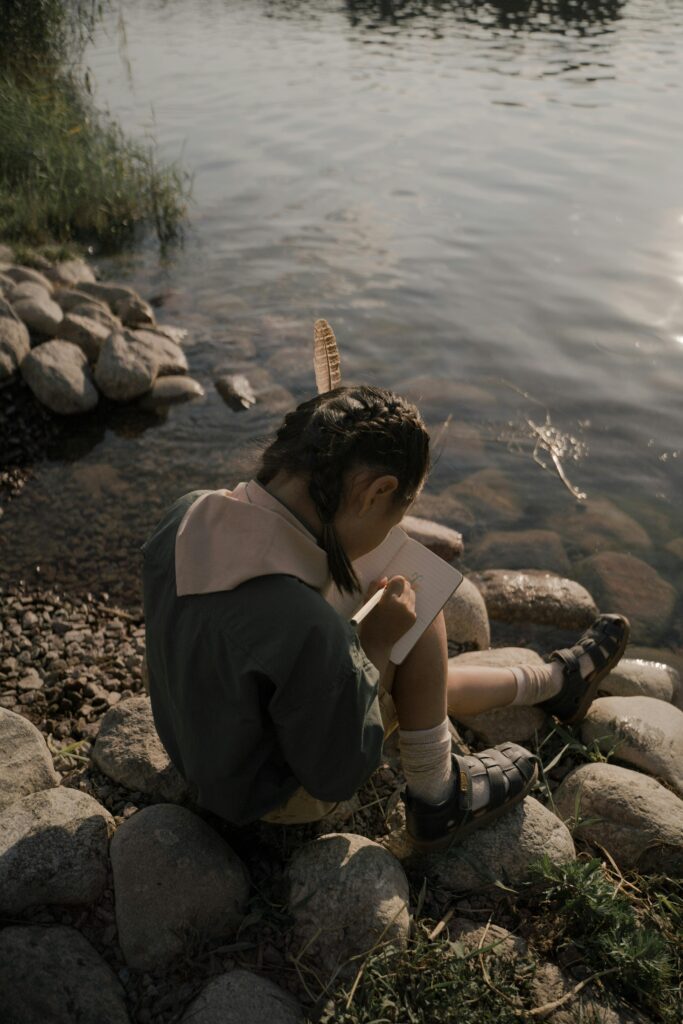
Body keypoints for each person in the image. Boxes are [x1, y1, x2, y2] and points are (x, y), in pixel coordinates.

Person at [142, 384, 629, 849]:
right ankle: (439, 796)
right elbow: (337, 774)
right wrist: (370, 645)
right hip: (269, 795)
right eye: (394, 517)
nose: (390, 532)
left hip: (199, 748)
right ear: (376, 493)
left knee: (420, 687)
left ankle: (551, 682)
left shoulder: (184, 514)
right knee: (419, 608)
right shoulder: (308, 628)